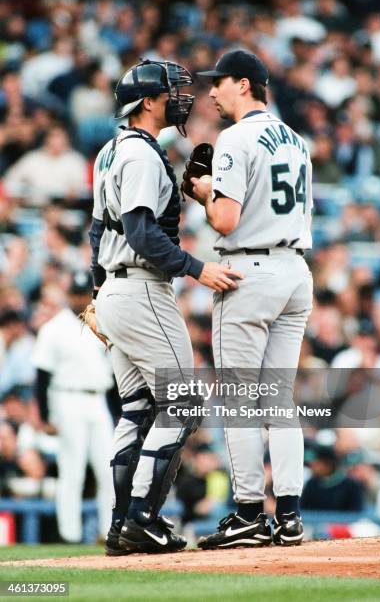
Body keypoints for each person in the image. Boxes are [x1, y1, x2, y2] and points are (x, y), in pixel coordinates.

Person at [90, 59, 241, 555]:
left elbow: (98, 233)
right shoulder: (138, 156)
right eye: (172, 91)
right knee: (184, 402)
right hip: (140, 288)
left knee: (136, 409)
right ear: (149, 101)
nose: (181, 97)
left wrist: (98, 295)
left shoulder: (110, 152)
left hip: (114, 290)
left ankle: (119, 525)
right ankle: (142, 517)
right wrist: (197, 269)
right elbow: (139, 232)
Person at [190, 50, 313, 548]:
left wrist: (201, 192)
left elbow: (224, 220)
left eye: (218, 83)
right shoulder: (297, 139)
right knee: (279, 400)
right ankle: (288, 513)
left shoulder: (235, 137)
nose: (212, 91)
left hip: (250, 270)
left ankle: (246, 513)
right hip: (294, 270)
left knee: (240, 400)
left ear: (244, 84)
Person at [32, 271, 114, 543]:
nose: (80, 298)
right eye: (76, 293)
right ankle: (69, 534)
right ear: (68, 295)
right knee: (73, 470)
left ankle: (107, 530)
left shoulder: (100, 323)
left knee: (107, 468)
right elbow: (42, 377)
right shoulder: (53, 328)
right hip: (66, 399)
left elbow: (111, 375)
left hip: (97, 399)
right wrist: (45, 415)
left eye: (84, 293)